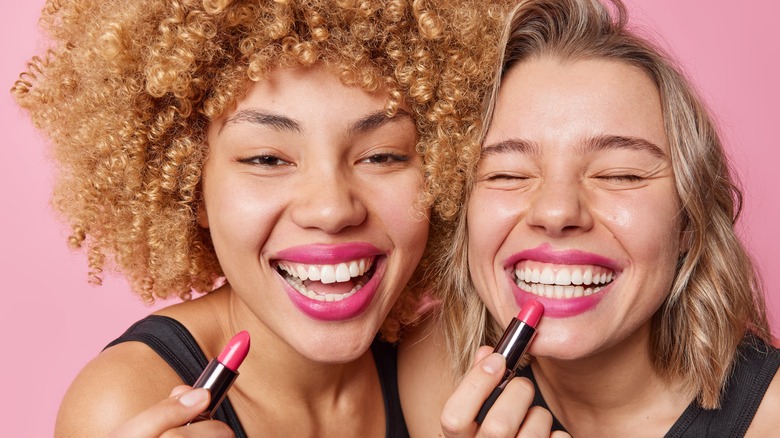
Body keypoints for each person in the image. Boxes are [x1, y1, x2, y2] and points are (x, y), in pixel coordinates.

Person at [11, 0, 509, 436]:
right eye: (267, 159)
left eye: (382, 156)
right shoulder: (127, 404)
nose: (332, 209)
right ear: (191, 187)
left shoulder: (445, 363)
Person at [429, 0, 780, 436]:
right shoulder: (424, 378)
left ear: (689, 220)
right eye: (508, 173)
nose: (556, 212)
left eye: (620, 174)